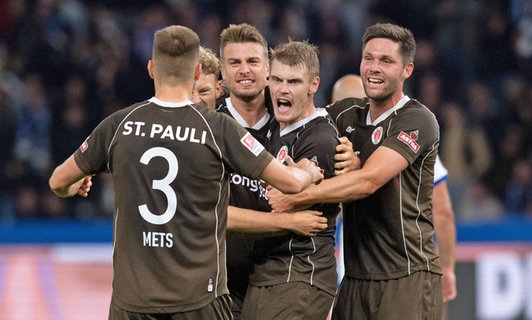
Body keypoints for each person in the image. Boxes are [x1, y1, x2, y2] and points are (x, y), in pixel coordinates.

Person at [48, 25, 323, 320]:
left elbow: (58, 182)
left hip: (132, 302)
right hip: (199, 300)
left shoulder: (118, 125)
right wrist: (307, 170)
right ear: (196, 72)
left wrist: (74, 186)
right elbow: (291, 184)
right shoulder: (218, 128)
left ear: (152, 68)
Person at [268, 23, 442, 319]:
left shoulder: (417, 119)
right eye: (369, 58)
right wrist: (306, 169)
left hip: (407, 274)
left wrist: (298, 195)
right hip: (354, 277)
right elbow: (303, 121)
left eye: (386, 61)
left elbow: (369, 181)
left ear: (407, 70)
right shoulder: (346, 113)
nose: (374, 68)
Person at [331, 74, 458, 304]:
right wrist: (447, 267)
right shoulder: (407, 137)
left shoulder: (322, 143)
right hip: (401, 267)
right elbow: (442, 211)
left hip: (343, 270)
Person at [237, 39, 341, 320]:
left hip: (300, 272)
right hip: (269, 274)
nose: (283, 89)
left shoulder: (319, 138)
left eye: (294, 82)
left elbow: (278, 202)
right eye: (277, 79)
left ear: (313, 85)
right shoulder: (275, 129)